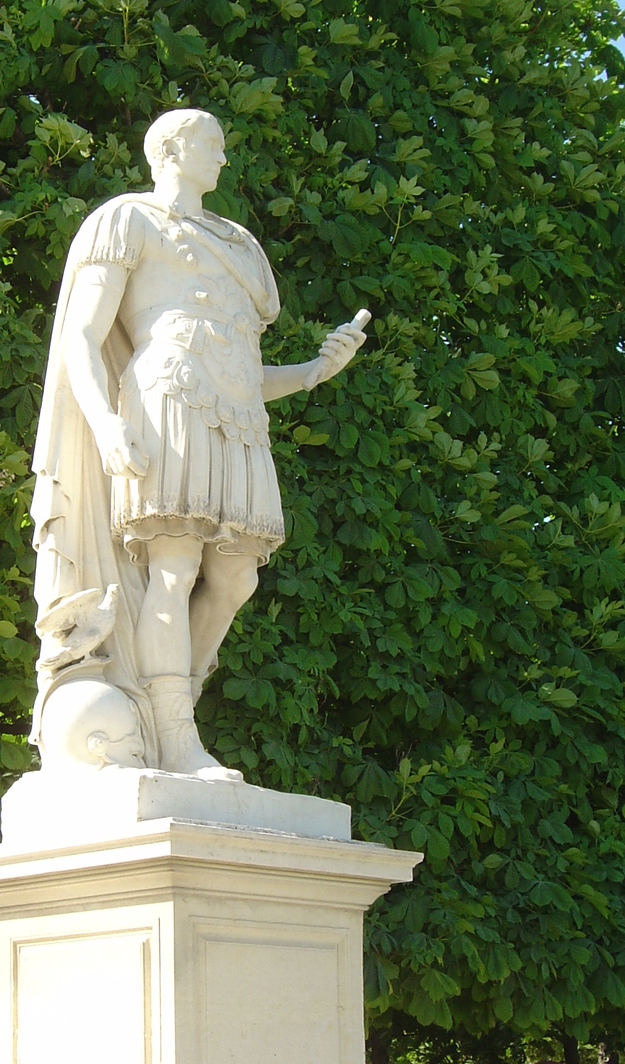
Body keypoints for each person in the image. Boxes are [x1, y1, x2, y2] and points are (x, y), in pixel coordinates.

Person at [30, 106, 370, 776]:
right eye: (212, 144)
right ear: (172, 148)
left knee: (236, 576)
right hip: (166, 399)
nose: (222, 156)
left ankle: (162, 715)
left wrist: (309, 373)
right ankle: (177, 738)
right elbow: (81, 335)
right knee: (173, 566)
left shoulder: (240, 244)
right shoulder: (127, 220)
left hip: (237, 414)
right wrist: (103, 421)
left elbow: (239, 364)